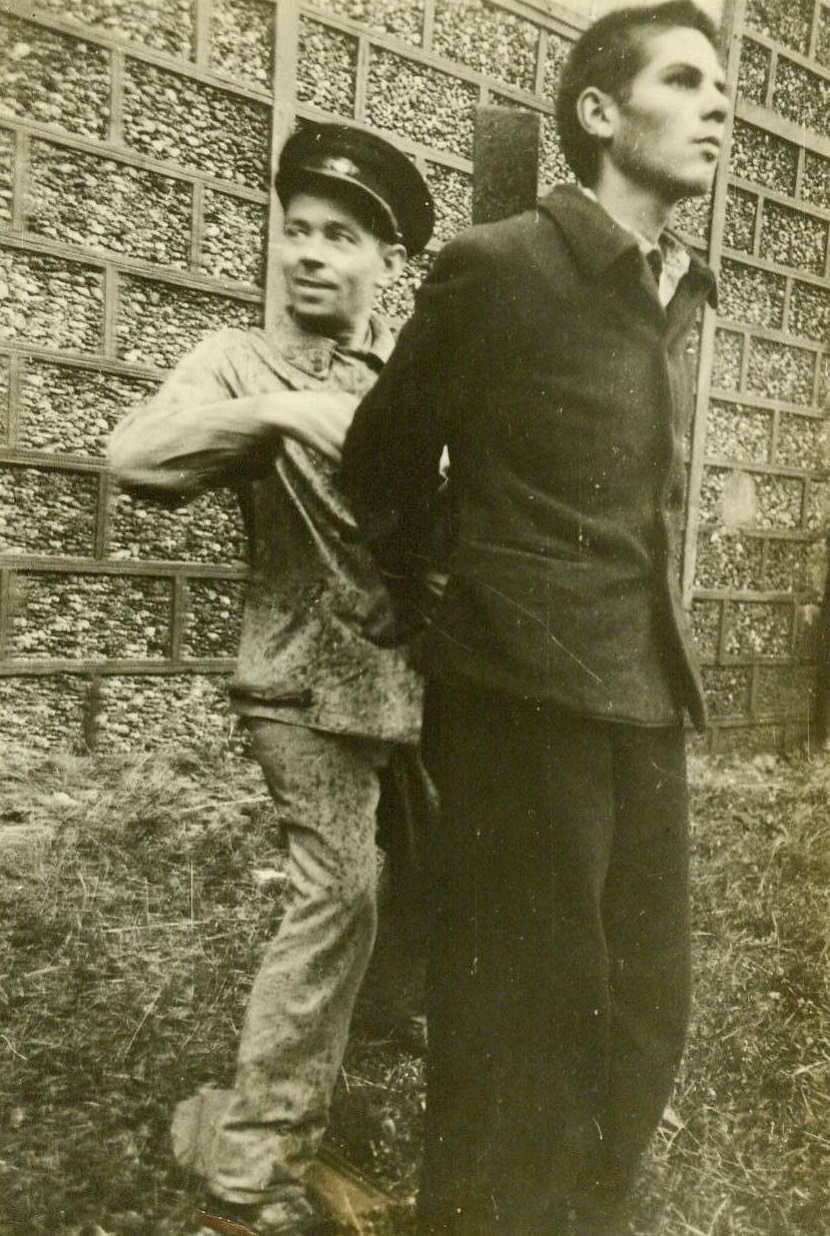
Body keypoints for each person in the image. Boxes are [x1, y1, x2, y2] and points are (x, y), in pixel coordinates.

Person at [340, 4, 730, 1234]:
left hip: (641, 688)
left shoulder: (676, 285)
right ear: (598, 113)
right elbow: (382, 460)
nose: (716, 105)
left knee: (643, 1006)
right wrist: (439, 605)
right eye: (685, 80)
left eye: (719, 85)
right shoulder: (500, 265)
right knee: (521, 1008)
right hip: (518, 690)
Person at [107, 121, 434, 1236]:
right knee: (337, 894)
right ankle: (251, 1173)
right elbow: (134, 458)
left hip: (417, 682)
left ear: (386, 261)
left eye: (339, 236)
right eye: (296, 229)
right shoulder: (236, 362)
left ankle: (332, 1091)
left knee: (419, 886)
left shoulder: (411, 372)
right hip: (302, 682)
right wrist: (277, 412)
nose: (308, 253)